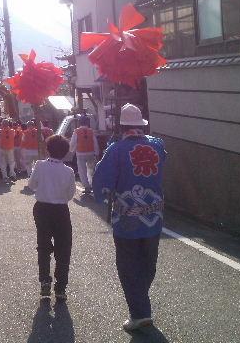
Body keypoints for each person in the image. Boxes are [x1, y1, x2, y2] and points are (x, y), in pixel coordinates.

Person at [92, 103, 166, 332]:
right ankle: (140, 301)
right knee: (148, 263)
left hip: (127, 219)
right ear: (141, 124)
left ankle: (140, 313)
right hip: (154, 217)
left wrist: (101, 195)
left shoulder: (116, 149)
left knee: (128, 265)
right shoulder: (158, 145)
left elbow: (102, 181)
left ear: (122, 126)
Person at [28, 135, 76, 301]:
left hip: (42, 208)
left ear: (47, 149)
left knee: (43, 245)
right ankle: (61, 287)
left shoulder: (40, 165)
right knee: (64, 247)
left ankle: (45, 281)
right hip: (61, 210)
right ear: (65, 152)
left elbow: (31, 185)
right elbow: (70, 194)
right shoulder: (69, 171)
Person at [69, 115, 100, 195]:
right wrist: (97, 153)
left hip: (80, 153)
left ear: (80, 122)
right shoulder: (91, 131)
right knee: (91, 170)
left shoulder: (77, 131)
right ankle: (92, 185)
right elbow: (95, 143)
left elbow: (73, 142)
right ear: (87, 123)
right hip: (91, 153)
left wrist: (71, 150)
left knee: (82, 170)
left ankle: (87, 187)